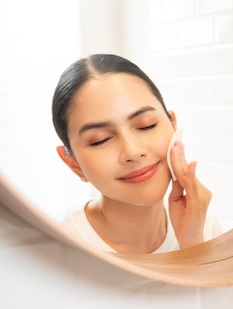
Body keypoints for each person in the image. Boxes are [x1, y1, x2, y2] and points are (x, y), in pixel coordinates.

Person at [52, 54, 221, 254]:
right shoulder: (58, 250)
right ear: (73, 163)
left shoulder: (203, 225)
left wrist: (193, 246)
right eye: (101, 139)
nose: (132, 152)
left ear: (173, 125)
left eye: (146, 125)